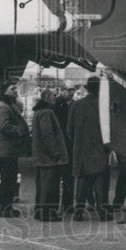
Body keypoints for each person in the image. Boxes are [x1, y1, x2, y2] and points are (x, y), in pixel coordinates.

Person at [67, 75, 110, 221]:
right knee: (100, 180)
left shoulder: (76, 105)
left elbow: (69, 130)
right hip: (99, 148)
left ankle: (78, 212)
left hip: (81, 148)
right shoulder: (104, 105)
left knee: (82, 180)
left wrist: (78, 141)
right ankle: (102, 212)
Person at [0, 81, 30, 218]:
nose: (15, 90)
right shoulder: (3, 107)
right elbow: (4, 126)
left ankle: (6, 207)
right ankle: (5, 208)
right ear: (5, 91)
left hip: (9, 149)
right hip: (6, 149)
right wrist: (19, 130)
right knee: (8, 180)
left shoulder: (9, 105)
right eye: (12, 88)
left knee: (9, 180)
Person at [31, 88, 67, 221]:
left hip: (41, 156)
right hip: (48, 157)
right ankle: (47, 213)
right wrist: (55, 151)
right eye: (53, 95)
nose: (55, 97)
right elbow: (48, 135)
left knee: (41, 185)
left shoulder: (38, 112)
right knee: (49, 185)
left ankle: (39, 211)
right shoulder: (47, 112)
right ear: (46, 98)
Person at [53, 87, 75, 215]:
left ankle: (67, 204)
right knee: (60, 177)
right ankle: (62, 205)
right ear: (62, 90)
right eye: (68, 90)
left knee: (67, 177)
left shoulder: (74, 105)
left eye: (72, 90)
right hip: (61, 145)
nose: (71, 92)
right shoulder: (57, 105)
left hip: (68, 146)